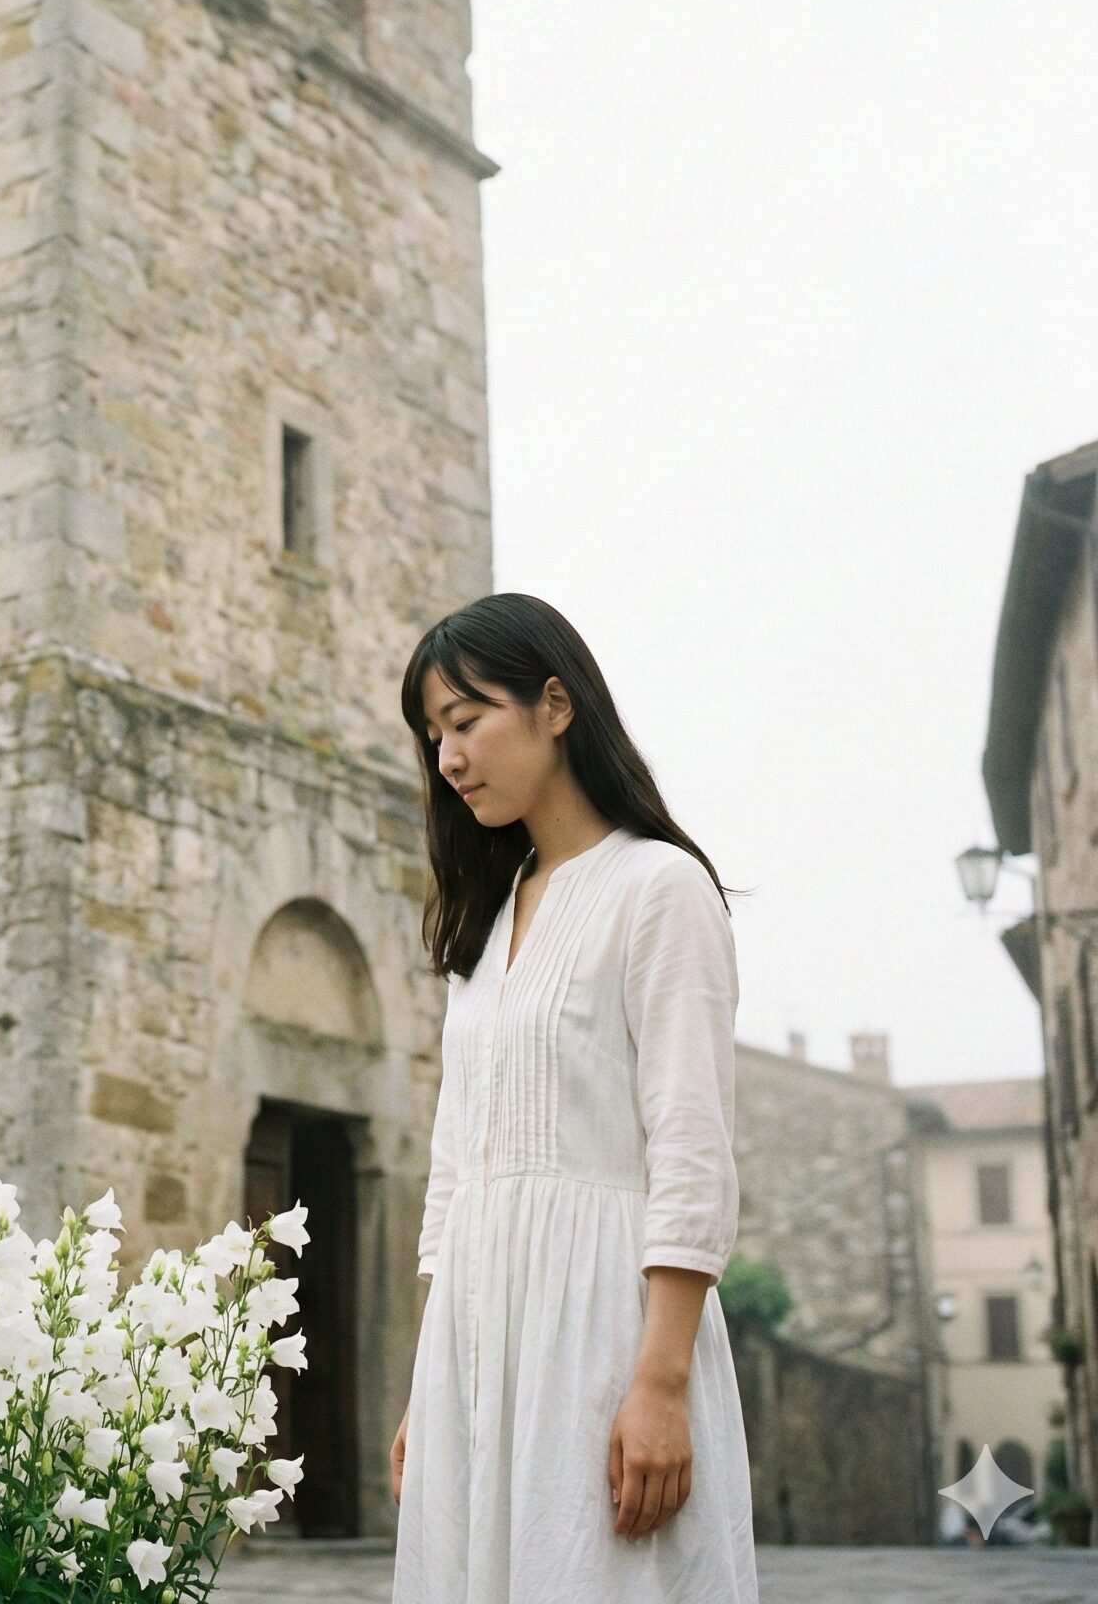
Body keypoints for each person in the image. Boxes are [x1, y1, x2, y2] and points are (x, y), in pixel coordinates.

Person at [387, 593, 761, 1601]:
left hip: (602, 1318)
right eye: (433, 736)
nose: (448, 757)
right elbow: (454, 1164)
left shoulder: (657, 889)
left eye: (466, 720)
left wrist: (659, 1382)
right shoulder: (488, 919)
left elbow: (689, 1143)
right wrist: (434, 1380)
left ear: (553, 704)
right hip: (478, 1325)